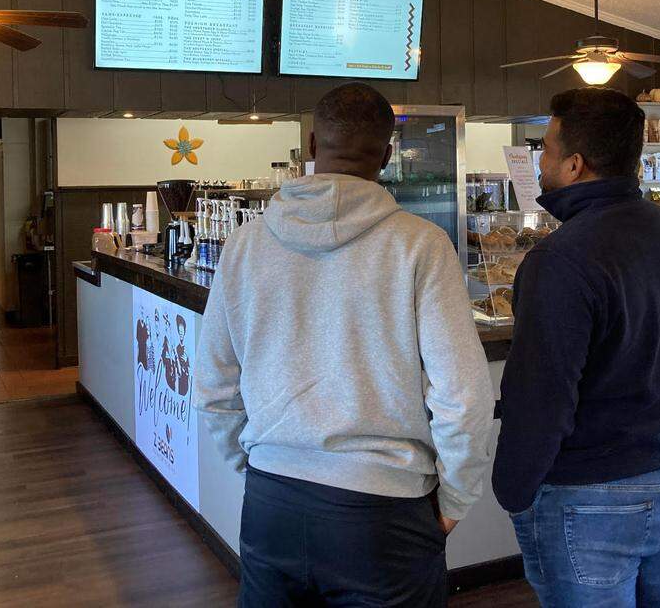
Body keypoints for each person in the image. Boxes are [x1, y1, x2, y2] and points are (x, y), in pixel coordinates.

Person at [195, 83, 494, 608]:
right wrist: (455, 498)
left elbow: (213, 387)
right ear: (388, 155)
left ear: (312, 145)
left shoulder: (245, 244)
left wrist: (262, 467)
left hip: (272, 502)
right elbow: (464, 396)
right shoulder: (420, 244)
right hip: (384, 511)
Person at [493, 87, 660, 608]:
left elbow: (541, 396)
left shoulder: (559, 258)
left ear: (574, 165)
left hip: (590, 494)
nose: (539, 162)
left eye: (545, 149)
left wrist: (514, 491)